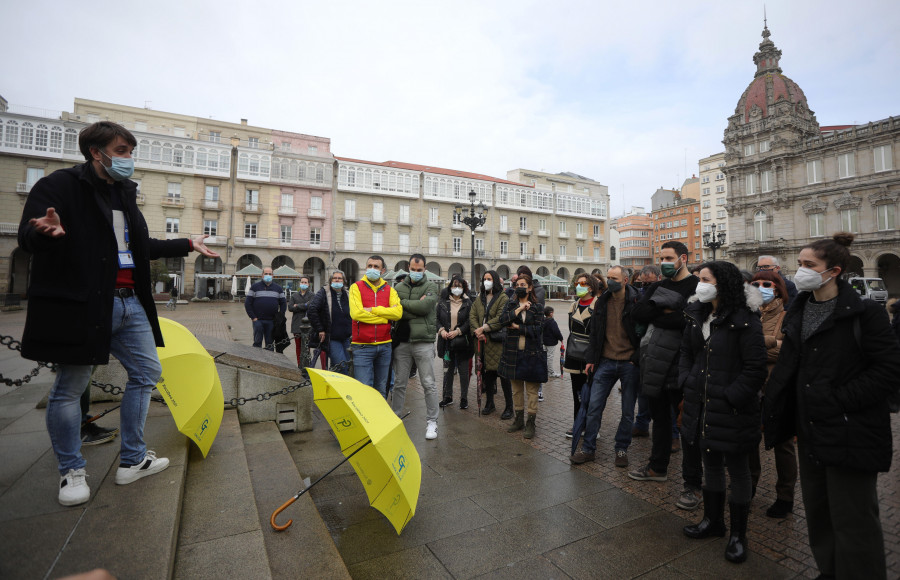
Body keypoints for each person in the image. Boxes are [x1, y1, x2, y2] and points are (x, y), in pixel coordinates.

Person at [17, 121, 218, 506]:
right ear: (97, 152)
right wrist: (43, 232)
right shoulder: (59, 186)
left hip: (130, 301)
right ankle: (71, 471)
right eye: (122, 151)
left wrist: (187, 243)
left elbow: (140, 247)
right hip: (86, 303)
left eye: (130, 151)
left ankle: (133, 459)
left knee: (146, 374)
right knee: (70, 388)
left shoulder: (124, 193)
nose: (128, 159)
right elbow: (30, 236)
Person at [764, 233, 900, 579]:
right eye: (799, 264)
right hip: (809, 429)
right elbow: (791, 365)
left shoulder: (864, 313)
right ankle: (829, 571)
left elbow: (887, 372)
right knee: (819, 513)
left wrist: (836, 400)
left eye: (809, 265)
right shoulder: (800, 308)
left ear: (834, 270)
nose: (801, 271)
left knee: (853, 519)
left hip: (850, 430)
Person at [680, 261, 767, 564]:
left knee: (738, 469)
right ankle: (713, 521)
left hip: (732, 408)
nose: (699, 284)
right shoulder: (698, 314)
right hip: (701, 403)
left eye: (705, 279)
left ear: (723, 283)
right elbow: (687, 354)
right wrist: (687, 382)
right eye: (698, 279)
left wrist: (732, 397)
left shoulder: (745, 319)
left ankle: (738, 535)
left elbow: (755, 368)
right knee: (710, 464)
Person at [628, 241, 704, 514]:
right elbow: (637, 312)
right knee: (660, 420)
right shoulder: (657, 285)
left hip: (683, 364)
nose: (664, 262)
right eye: (661, 258)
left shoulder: (696, 286)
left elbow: (689, 320)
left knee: (688, 427)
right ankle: (657, 467)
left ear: (683, 258)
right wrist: (669, 311)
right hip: (656, 362)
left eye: (669, 258)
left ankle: (693, 484)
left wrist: (661, 313)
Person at [571, 266, 643, 468]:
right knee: (594, 407)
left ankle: (621, 448)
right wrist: (591, 359)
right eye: (608, 277)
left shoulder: (637, 301)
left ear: (626, 280)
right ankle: (588, 449)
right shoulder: (602, 301)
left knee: (628, 410)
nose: (609, 281)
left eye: (614, 278)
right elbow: (595, 333)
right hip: (605, 361)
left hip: (629, 363)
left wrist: (636, 358)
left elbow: (645, 333)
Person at [389, 254, 439, 439]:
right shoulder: (399, 287)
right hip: (402, 342)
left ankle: (432, 422)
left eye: (419, 270)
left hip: (423, 342)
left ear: (424, 269)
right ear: (408, 267)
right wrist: (413, 307)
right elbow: (396, 312)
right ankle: (396, 418)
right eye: (413, 269)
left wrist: (405, 306)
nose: (416, 272)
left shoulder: (432, 286)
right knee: (399, 383)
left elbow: (425, 308)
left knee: (428, 383)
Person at [498, 274, 546, 439]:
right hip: (513, 353)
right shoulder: (510, 304)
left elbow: (539, 330)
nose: (520, 287)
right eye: (517, 284)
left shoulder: (538, 307)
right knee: (516, 390)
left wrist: (518, 327)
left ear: (530, 287)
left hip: (532, 354)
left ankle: (531, 423)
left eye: (523, 284)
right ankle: (518, 420)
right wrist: (519, 309)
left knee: (532, 391)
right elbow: (503, 321)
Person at [349, 255, 402, 396]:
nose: (372, 269)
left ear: (382, 270)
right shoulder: (356, 287)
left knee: (381, 388)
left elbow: (397, 313)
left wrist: (373, 310)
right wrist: (385, 319)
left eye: (376, 267)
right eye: (369, 266)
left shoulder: (390, 290)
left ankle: (380, 417)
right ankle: (365, 418)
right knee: (364, 389)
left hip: (385, 345)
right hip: (362, 346)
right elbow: (357, 314)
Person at [562, 273, 601, 438]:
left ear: (591, 287)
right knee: (577, 393)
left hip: (591, 355)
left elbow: (599, 334)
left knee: (592, 394)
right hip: (574, 354)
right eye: (577, 283)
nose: (579, 285)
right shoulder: (573, 305)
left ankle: (592, 427)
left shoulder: (598, 305)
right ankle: (577, 423)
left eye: (583, 283)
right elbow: (572, 330)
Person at [470, 270, 510, 417]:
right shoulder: (480, 298)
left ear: (495, 280)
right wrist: (477, 331)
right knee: (487, 375)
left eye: (489, 279)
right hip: (482, 342)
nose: (486, 281)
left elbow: (501, 317)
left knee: (504, 377)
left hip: (496, 342)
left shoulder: (503, 298)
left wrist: (483, 328)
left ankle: (509, 407)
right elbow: (472, 315)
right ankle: (490, 403)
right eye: (484, 279)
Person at [632, 265, 662, 438]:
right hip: (641, 346)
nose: (645, 287)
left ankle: (671, 433)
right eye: (642, 283)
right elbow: (637, 314)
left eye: (649, 283)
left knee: (662, 394)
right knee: (642, 389)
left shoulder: (665, 291)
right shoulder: (638, 294)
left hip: (660, 346)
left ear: (658, 279)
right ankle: (642, 423)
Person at [437, 275, 473, 410]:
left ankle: (464, 398)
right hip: (446, 341)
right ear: (450, 287)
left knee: (464, 372)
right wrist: (441, 331)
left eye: (459, 286)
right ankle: (448, 396)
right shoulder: (443, 302)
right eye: (454, 286)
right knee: (448, 370)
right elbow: (437, 320)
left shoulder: (468, 303)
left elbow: (470, 321)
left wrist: (458, 331)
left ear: (463, 288)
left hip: (462, 341)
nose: (456, 289)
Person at [308, 270, 352, 374]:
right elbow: (312, 309)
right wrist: (320, 329)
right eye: (334, 278)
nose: (337, 280)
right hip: (332, 337)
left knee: (348, 366)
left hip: (347, 337)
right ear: (330, 280)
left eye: (339, 278)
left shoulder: (347, 293)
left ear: (344, 281)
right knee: (342, 366)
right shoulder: (324, 292)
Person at [245, 267, 286, 350]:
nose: (268, 275)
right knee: (257, 343)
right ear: (262, 275)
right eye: (266, 274)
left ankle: (269, 362)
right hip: (258, 320)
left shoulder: (278, 288)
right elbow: (247, 303)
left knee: (270, 344)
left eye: (270, 274)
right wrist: (253, 317)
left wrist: (280, 317)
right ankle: (257, 361)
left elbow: (283, 303)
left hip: (272, 321)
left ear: (273, 275)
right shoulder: (255, 287)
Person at [288, 275, 315, 367]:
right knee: (298, 347)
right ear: (300, 283)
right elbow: (290, 308)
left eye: (305, 282)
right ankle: (300, 365)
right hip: (296, 324)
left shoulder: (312, 295)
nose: (303, 284)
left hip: (308, 325)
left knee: (307, 347)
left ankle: (307, 365)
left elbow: (310, 306)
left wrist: (297, 306)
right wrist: (304, 305)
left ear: (308, 284)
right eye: (302, 282)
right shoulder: (294, 295)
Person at [543, 306, 563, 378]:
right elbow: (556, 332)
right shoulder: (552, 322)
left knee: (545, 356)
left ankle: (545, 370)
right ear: (551, 313)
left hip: (544, 342)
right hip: (551, 342)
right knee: (550, 357)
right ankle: (551, 372)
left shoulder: (543, 321)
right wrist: (561, 338)